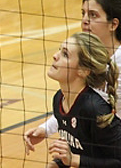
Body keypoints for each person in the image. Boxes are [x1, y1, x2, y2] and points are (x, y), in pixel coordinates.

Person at [24, 0, 121, 155]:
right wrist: (45, 129)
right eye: (83, 14)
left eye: (93, 15)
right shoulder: (85, 57)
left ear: (113, 24)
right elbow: (81, 108)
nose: (85, 21)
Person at [31, 32, 121, 166]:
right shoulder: (59, 99)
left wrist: (72, 160)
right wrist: (57, 164)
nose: (55, 56)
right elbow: (80, 150)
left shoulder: (94, 109)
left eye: (65, 54)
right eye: (59, 50)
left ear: (83, 70)